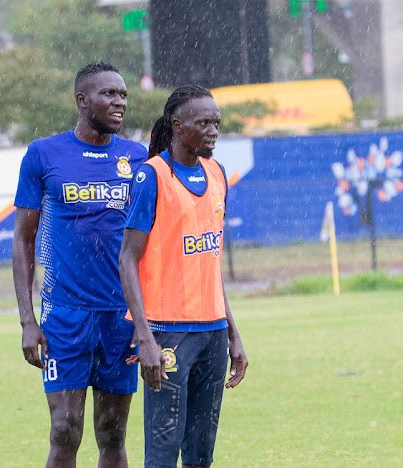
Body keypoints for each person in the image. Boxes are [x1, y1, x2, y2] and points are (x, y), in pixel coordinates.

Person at [13, 62, 147, 468]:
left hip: (120, 316)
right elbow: (23, 241)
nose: (119, 102)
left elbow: (149, 243)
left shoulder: (136, 157)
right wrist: (27, 321)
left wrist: (146, 322)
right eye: (109, 94)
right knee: (65, 430)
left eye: (123, 94)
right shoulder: (43, 154)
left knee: (113, 433)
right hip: (65, 314)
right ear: (82, 100)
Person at [119, 85, 248, 468]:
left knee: (201, 452)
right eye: (203, 122)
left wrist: (232, 333)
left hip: (212, 334)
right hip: (168, 333)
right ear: (178, 126)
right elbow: (127, 260)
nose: (213, 130)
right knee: (163, 450)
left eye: (217, 123)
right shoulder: (152, 177)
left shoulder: (217, 173)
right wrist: (144, 337)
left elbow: (209, 264)